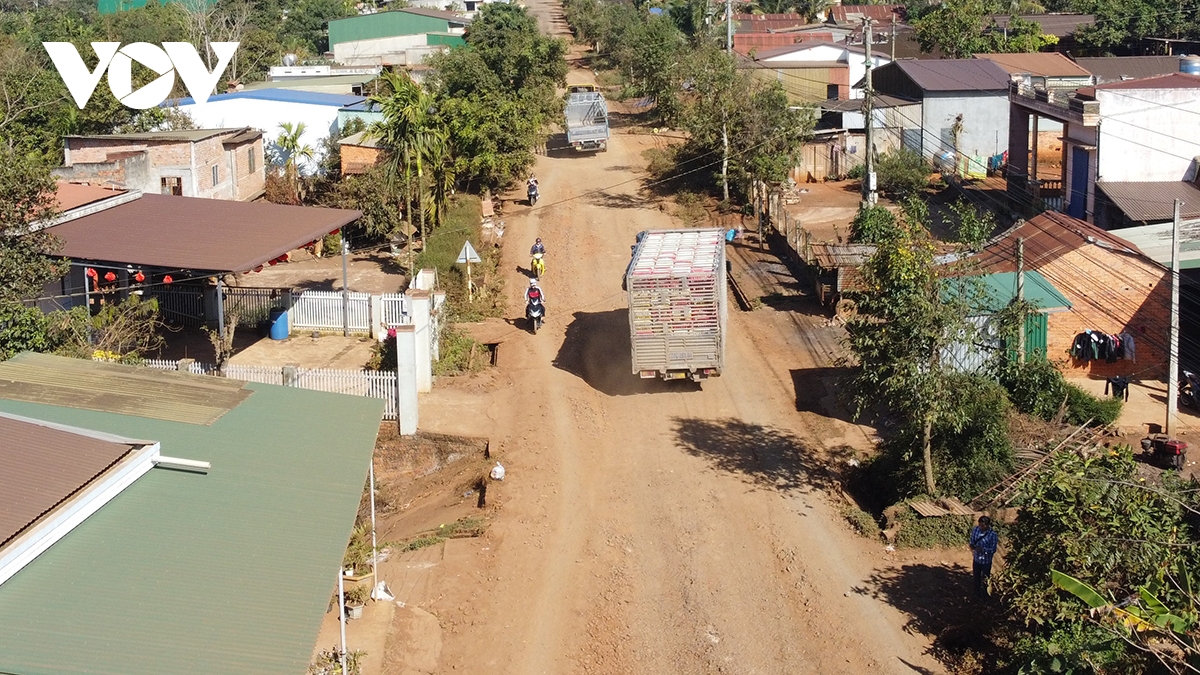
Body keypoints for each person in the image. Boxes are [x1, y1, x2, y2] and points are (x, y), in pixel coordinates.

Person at [969, 516, 999, 598]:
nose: (980, 527)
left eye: (982, 526)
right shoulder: (976, 529)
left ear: (987, 525)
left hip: (986, 561)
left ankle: (986, 594)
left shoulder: (993, 535)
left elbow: (993, 549)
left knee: (986, 578)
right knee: (976, 577)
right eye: (979, 525)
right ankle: (976, 593)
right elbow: (972, 540)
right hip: (976, 559)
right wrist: (972, 546)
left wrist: (983, 549)